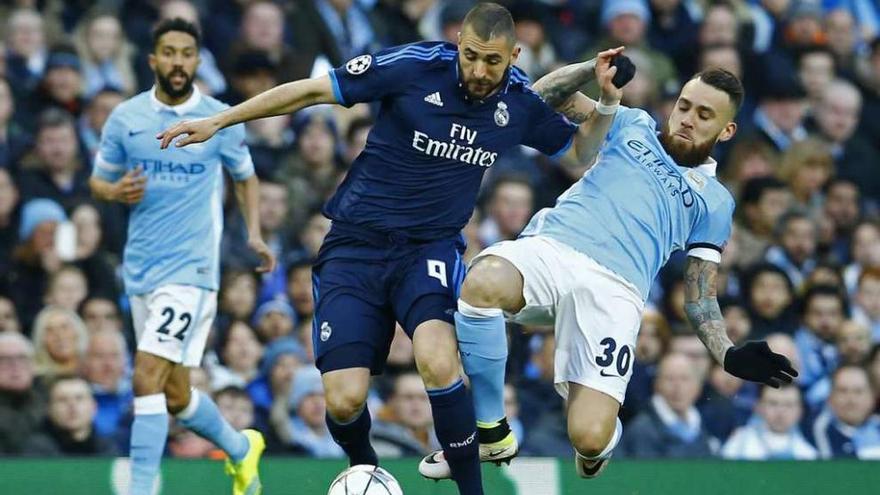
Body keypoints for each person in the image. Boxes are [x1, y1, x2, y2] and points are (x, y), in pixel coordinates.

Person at [158, 4, 602, 493]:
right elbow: (310, 91)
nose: (479, 70)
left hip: (427, 249)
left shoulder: (518, 103)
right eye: (471, 56)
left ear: (513, 56)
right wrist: (221, 120)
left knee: (436, 357)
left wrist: (606, 102)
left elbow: (581, 153)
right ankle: (366, 470)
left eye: (492, 62)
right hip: (355, 245)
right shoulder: (413, 66)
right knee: (344, 401)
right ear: (457, 43)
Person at [417, 62, 798, 480]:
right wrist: (591, 70)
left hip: (616, 293)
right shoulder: (632, 123)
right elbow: (540, 96)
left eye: (705, 115)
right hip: (555, 250)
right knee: (482, 282)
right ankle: (491, 432)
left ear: (726, 131)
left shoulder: (717, 203)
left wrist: (727, 352)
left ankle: (602, 440)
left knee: (588, 436)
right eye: (685, 106)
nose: (688, 119)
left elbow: (699, 295)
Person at [87, 19, 274, 495]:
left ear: (196, 59)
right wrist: (115, 191)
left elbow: (246, 176)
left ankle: (143, 488)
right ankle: (239, 448)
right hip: (141, 269)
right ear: (153, 60)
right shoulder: (126, 119)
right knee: (174, 395)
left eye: (186, 53)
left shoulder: (217, 118)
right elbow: (97, 180)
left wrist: (254, 233)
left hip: (192, 272)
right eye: (168, 52)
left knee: (146, 375)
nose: (177, 62)